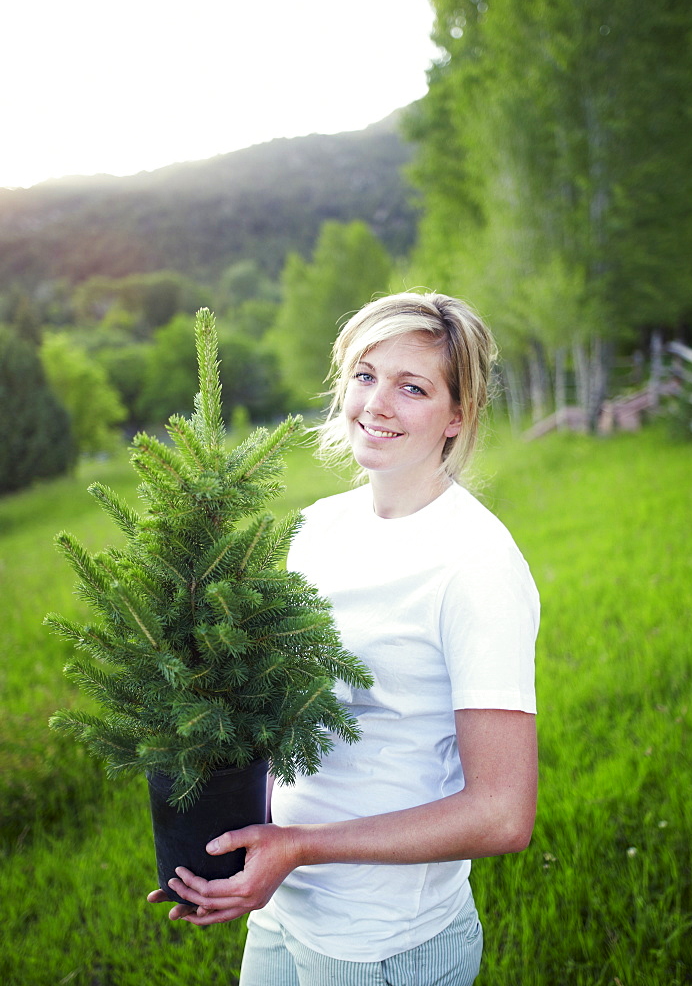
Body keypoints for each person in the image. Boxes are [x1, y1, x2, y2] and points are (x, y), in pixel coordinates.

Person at [148, 291, 539, 986]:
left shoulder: (475, 565)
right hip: (282, 910)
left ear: (458, 415)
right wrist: (218, 840)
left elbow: (503, 815)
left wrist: (298, 847)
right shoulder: (318, 529)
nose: (376, 403)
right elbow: (280, 711)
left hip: (383, 941)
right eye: (365, 374)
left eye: (412, 386)